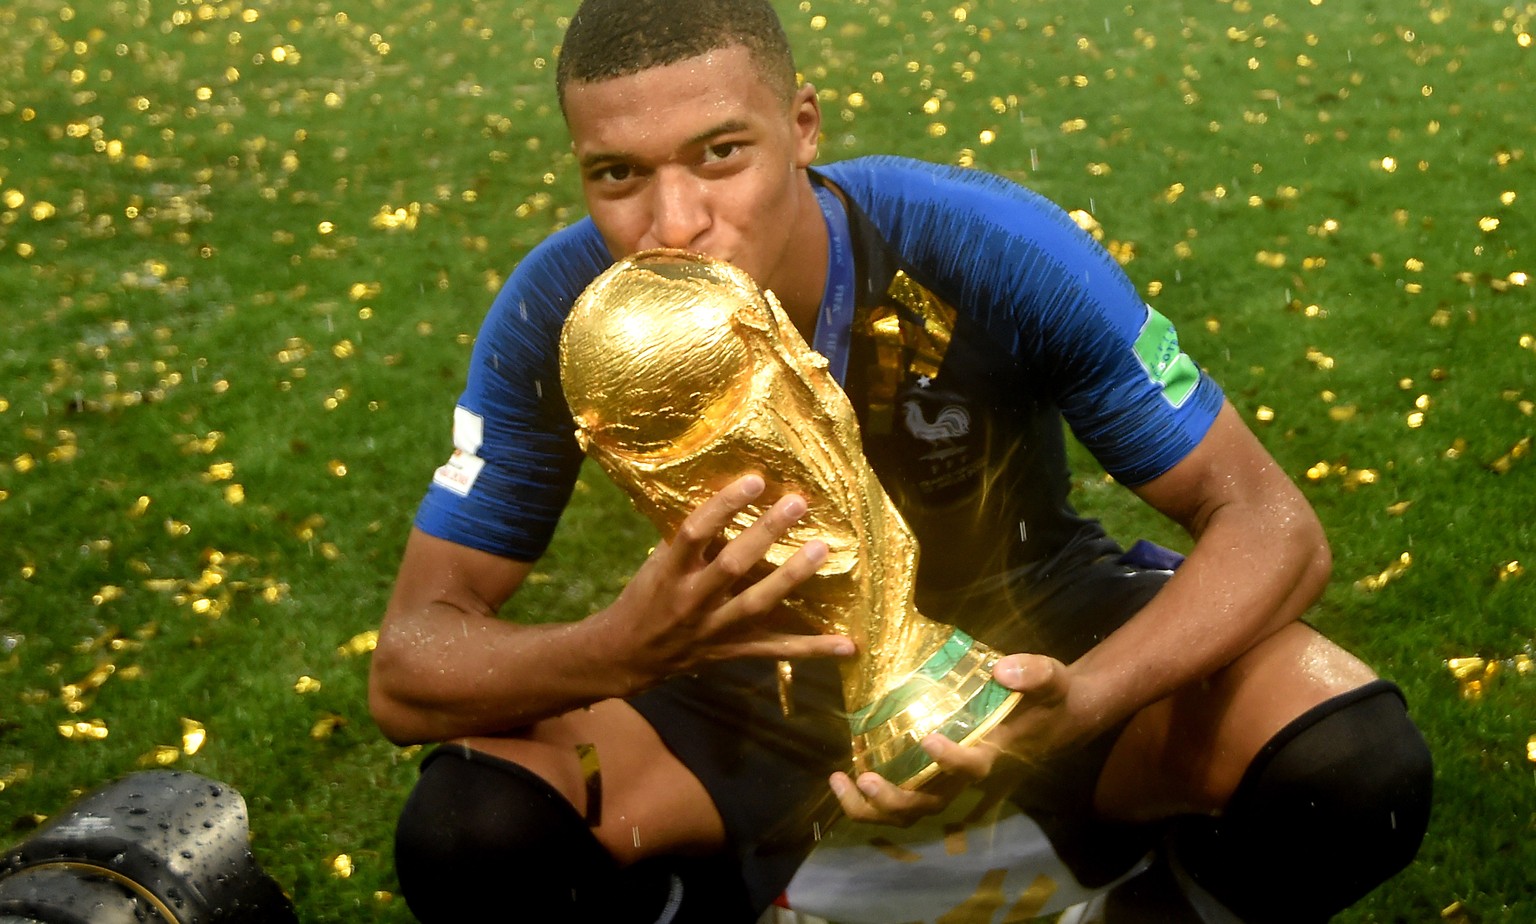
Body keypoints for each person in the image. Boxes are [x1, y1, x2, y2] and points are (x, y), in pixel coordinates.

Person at [368, 1, 1434, 921]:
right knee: (472, 830)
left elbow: (1271, 524)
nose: (675, 223)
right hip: (749, 675)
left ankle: (1164, 904)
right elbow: (413, 661)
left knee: (1348, 761)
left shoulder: (981, 241)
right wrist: (620, 648)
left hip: (1035, 633)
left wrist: (1088, 698)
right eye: (617, 175)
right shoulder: (566, 313)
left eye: (721, 153)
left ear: (802, 125)